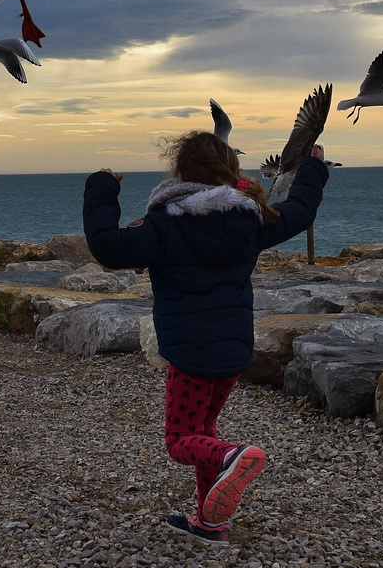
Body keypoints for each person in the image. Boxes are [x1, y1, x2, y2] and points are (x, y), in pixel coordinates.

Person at [83, 131, 330, 548]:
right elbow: (300, 211)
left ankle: (235, 456)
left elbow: (107, 246)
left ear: (179, 171)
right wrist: (314, 168)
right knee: (204, 428)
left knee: (181, 440)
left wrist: (103, 185)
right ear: (230, 172)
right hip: (233, 352)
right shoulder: (251, 219)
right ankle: (209, 521)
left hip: (189, 353)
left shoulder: (164, 225)